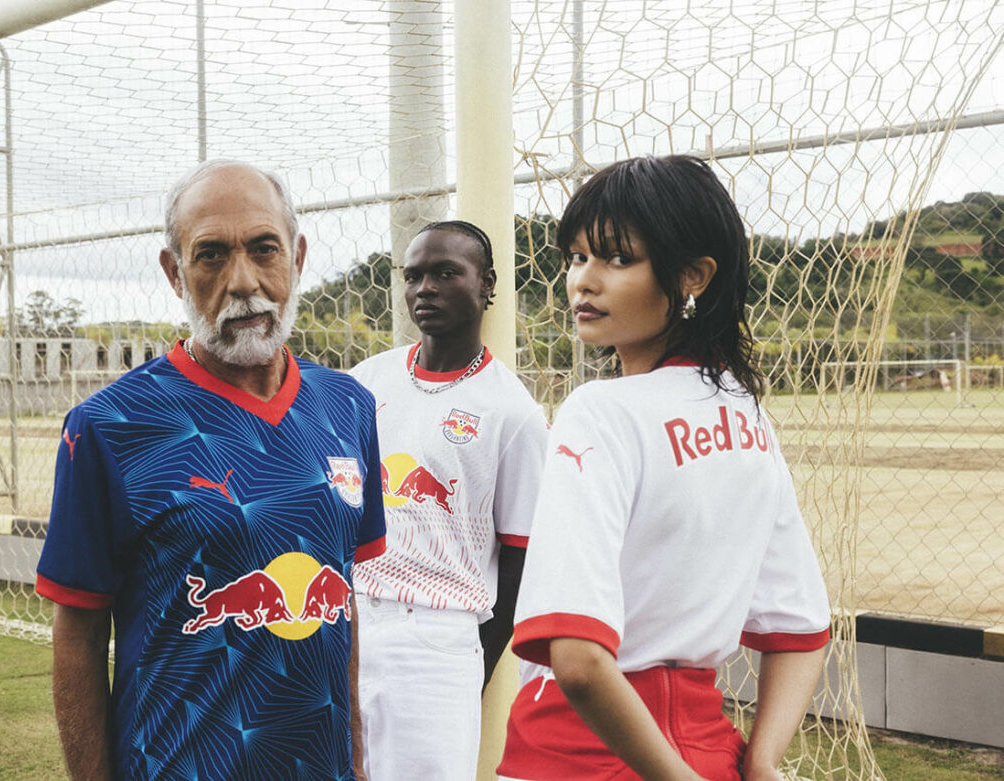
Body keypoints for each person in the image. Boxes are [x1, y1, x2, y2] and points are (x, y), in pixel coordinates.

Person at [35, 160, 386, 780]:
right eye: (212, 256)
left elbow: (342, 600)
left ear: (297, 256)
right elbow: (78, 637)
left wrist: (355, 757)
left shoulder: (348, 407)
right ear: (175, 272)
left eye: (263, 249)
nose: (243, 281)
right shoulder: (109, 427)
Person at [497, 155, 831, 781]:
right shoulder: (745, 414)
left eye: (618, 259)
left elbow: (577, 660)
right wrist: (760, 763)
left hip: (579, 753)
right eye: (576, 256)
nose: (583, 281)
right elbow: (801, 628)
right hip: (711, 752)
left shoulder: (600, 412)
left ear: (692, 276)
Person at [349, 220, 548, 779]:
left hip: (437, 643)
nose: (424, 289)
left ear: (486, 284)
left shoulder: (513, 413)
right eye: (413, 276)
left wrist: (471, 660)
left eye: (445, 273)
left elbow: (521, 556)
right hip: (350, 621)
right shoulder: (365, 383)